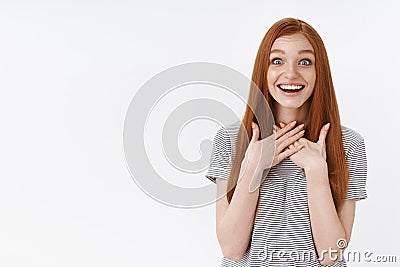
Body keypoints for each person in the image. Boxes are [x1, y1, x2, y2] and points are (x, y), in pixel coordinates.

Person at [205, 17, 367, 266]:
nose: (291, 73)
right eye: (277, 60)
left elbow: (332, 255)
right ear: (263, 69)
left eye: (305, 62)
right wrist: (254, 168)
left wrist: (316, 171)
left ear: (319, 71)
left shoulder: (348, 144)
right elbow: (231, 249)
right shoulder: (229, 140)